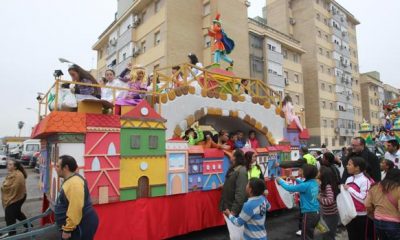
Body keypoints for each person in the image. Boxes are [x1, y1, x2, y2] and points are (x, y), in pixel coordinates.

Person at [54, 155, 99, 240]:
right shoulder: (70, 180)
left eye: (58, 166)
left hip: (82, 225)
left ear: (66, 167)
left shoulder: (74, 183)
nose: (55, 168)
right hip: (78, 225)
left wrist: (67, 230)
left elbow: (75, 209)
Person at [276, 164, 320, 240]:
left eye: (301, 171)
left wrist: (280, 181)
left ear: (307, 173)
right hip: (316, 211)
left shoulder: (305, 185)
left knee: (306, 236)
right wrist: (296, 179)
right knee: (311, 234)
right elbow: (304, 185)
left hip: (308, 214)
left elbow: (289, 188)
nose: (299, 172)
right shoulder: (315, 182)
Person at [220, 149, 248, 240]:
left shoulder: (242, 171)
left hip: (234, 209)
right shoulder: (234, 168)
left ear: (235, 157)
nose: (230, 157)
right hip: (229, 206)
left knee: (237, 235)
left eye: (232, 155)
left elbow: (240, 192)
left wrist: (234, 211)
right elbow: (233, 184)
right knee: (234, 234)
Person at [344, 156, 374, 240]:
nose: (347, 166)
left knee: (361, 237)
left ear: (357, 168)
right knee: (351, 236)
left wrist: (349, 189)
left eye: (349, 165)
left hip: (361, 215)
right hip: (350, 214)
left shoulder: (365, 180)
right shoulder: (349, 178)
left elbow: (364, 199)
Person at [366, 169, 400, 240]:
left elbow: (367, 204)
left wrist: (374, 214)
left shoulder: (375, 186)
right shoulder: (398, 189)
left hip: (378, 221)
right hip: (394, 223)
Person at [1, 160, 28, 236]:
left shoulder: (18, 175)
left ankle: (12, 233)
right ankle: (28, 225)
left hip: (18, 197)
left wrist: (5, 188)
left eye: (10, 164)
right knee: (17, 213)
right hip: (16, 196)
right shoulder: (12, 173)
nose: (7, 166)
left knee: (9, 214)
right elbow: (7, 185)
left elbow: (14, 188)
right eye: (8, 164)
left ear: (15, 167)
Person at [318, 166, 340, 240]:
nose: (317, 173)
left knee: (328, 236)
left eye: (319, 172)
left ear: (323, 175)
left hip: (331, 216)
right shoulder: (323, 185)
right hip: (327, 214)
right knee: (325, 234)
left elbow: (330, 200)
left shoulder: (328, 186)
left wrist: (319, 198)